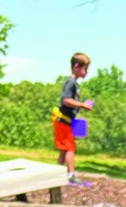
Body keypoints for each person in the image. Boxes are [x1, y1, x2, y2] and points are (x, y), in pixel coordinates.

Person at [55, 52, 95, 183]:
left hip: (66, 122)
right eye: (85, 69)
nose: (86, 72)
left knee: (64, 149)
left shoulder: (74, 84)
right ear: (76, 66)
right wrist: (82, 105)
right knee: (69, 148)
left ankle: (57, 173)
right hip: (63, 121)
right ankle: (71, 175)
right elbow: (66, 100)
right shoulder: (70, 82)